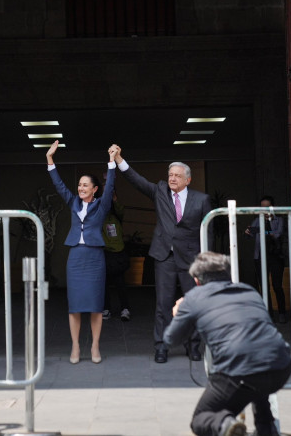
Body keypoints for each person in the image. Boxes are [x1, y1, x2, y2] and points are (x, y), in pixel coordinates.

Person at [164, 252, 291, 436]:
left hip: (238, 369)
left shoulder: (193, 298)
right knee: (257, 381)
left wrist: (179, 313)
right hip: (281, 365)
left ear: (197, 280)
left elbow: (170, 340)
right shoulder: (248, 291)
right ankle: (267, 429)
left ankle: (226, 425)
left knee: (201, 419)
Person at [110, 144, 212, 363]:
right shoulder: (160, 191)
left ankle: (193, 345)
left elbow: (207, 233)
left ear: (188, 180)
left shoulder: (201, 200)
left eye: (177, 176)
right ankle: (162, 347)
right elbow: (137, 181)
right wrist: (119, 159)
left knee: (192, 304)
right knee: (163, 305)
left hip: (191, 260)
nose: (172, 178)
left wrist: (205, 265)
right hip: (164, 257)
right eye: (170, 174)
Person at [47, 141, 117, 364]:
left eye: (86, 185)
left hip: (95, 258)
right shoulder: (73, 203)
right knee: (75, 306)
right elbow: (59, 185)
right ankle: (76, 347)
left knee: (96, 307)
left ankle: (95, 346)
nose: (81, 188)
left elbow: (111, 184)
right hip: (76, 258)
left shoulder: (103, 205)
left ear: (95, 189)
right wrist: (50, 159)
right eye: (79, 185)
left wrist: (112, 162)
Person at [244, 195, 288, 323]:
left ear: (272, 207)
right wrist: (248, 232)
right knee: (264, 287)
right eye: (262, 207)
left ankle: (282, 313)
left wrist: (264, 231)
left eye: (266, 207)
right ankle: (268, 314)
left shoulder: (278, 220)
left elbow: (277, 234)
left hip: (275, 256)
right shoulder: (257, 220)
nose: (264, 209)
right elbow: (250, 235)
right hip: (260, 256)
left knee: (277, 285)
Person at [101, 182, 131, 322]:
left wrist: (113, 197)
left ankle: (125, 309)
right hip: (105, 252)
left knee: (120, 282)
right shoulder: (99, 213)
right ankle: (106, 309)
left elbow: (119, 209)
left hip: (118, 252)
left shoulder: (117, 214)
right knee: (104, 283)